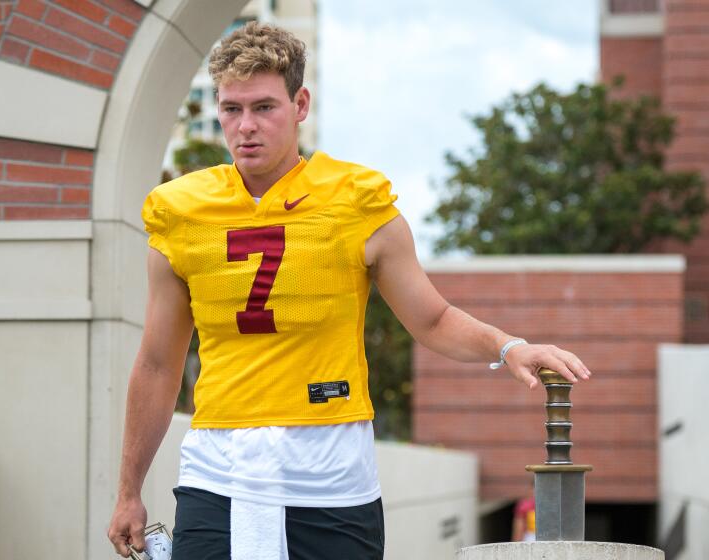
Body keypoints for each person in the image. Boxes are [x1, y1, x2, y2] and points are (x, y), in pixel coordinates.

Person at [108, 21, 591, 559]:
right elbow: (157, 362)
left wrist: (510, 346)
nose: (245, 126)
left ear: (300, 104)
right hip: (220, 471)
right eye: (231, 109)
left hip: (331, 475)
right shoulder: (180, 211)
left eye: (264, 107)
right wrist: (129, 491)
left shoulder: (357, 201)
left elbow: (431, 319)